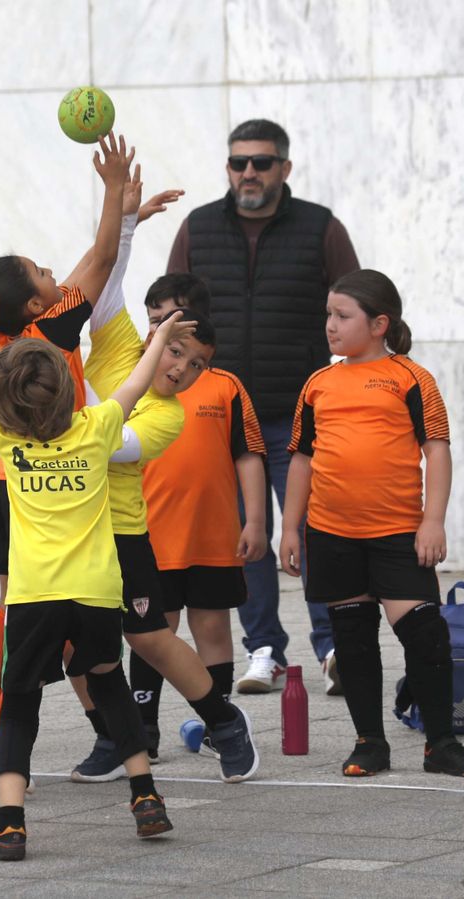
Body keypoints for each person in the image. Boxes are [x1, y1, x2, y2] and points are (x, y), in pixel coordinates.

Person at [0, 286, 194, 861]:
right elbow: (137, 384)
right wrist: (161, 338)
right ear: (69, 391)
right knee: (108, 680)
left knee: (18, 702)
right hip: (96, 593)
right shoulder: (94, 430)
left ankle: (10, 824)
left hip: (35, 594)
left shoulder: (7, 439)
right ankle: (146, 797)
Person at [0, 134, 145, 773]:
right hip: (47, 489)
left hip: (11, 491)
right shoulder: (48, 330)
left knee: (28, 614)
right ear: (35, 303)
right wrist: (115, 188)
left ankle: (8, 726)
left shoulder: (1, 350)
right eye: (42, 272)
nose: (54, 273)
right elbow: (103, 253)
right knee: (42, 618)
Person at [64, 209, 259, 785]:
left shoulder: (166, 417)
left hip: (122, 534)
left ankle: (223, 722)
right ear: (155, 337)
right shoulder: (119, 346)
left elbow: (109, 446)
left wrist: (50, 423)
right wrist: (122, 221)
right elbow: (105, 285)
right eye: (176, 351)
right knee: (74, 647)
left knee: (148, 637)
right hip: (68, 530)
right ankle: (114, 738)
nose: (183, 368)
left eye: (197, 364)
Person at [167, 118, 360, 695]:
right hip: (217, 417)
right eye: (238, 162)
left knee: (312, 532)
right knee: (245, 540)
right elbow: (170, 317)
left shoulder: (320, 228)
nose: (248, 171)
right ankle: (265, 650)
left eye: (262, 161)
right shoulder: (198, 228)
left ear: (285, 168)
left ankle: (331, 648)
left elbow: (353, 308)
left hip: (296, 414)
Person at [280, 271, 464, 779]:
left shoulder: (412, 379)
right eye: (328, 314)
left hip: (399, 533)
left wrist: (432, 521)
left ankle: (441, 744)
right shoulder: (318, 383)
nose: (330, 325)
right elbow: (302, 460)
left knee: (426, 635)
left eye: (342, 316)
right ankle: (369, 742)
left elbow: (437, 450)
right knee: (352, 638)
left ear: (379, 324)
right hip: (331, 534)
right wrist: (289, 529)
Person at [140, 275, 270, 745]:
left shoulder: (225, 386)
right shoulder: (132, 380)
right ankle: (144, 726)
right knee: (155, 629)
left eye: (172, 319)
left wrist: (254, 520)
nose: (162, 329)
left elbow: (248, 455)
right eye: (155, 320)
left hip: (214, 535)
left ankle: (220, 725)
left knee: (213, 625)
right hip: (150, 537)